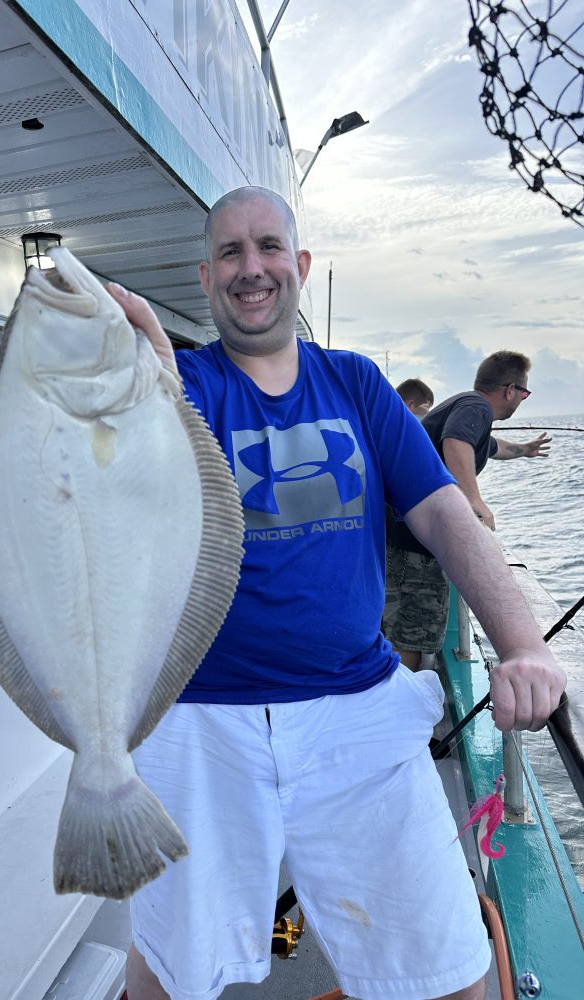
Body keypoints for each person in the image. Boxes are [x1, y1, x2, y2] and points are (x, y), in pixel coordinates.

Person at [106, 187, 565, 1000]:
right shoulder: (183, 384)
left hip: (358, 704)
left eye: (269, 247)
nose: (253, 269)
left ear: (301, 267)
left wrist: (524, 642)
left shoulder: (355, 383)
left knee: (455, 967)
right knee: (169, 972)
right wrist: (134, 362)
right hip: (202, 713)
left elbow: (445, 516)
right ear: (206, 276)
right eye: (232, 254)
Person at [383, 353, 552, 670]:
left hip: (402, 534)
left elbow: (489, 445)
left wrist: (524, 450)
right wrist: (472, 501)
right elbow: (456, 441)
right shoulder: (477, 407)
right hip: (414, 543)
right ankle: (397, 708)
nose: (523, 399)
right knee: (409, 634)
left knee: (401, 630)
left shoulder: (466, 408)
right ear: (510, 389)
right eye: (525, 393)